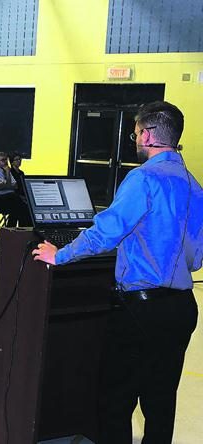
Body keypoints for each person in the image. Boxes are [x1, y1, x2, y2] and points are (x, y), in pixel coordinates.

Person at [32, 101, 203, 444]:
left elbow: (106, 232)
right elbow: (195, 259)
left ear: (148, 134)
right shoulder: (194, 185)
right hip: (182, 308)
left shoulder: (142, 178)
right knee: (160, 399)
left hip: (141, 310)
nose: (135, 139)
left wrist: (59, 254)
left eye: (137, 133)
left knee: (115, 398)